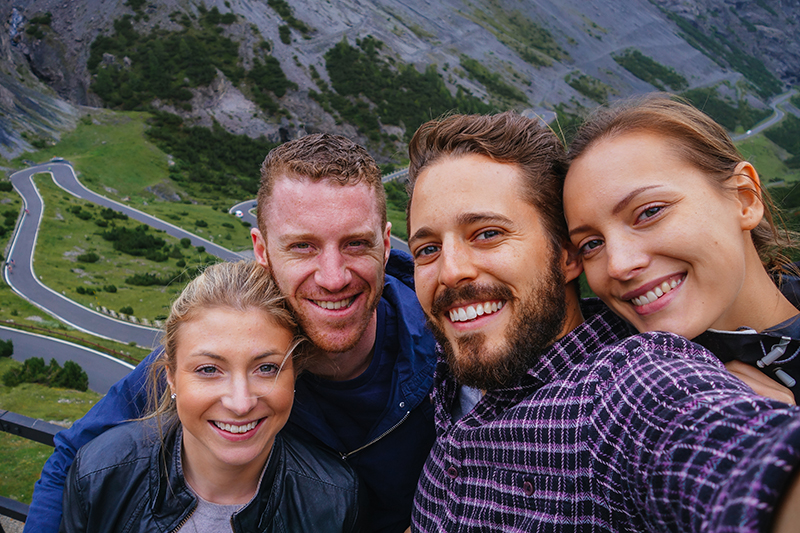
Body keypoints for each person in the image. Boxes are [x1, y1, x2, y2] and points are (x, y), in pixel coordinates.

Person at [404, 111, 800, 532]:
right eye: (427, 249)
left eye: (488, 233)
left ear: (565, 257)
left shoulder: (631, 389)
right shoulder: (451, 363)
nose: (622, 264)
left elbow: (721, 451)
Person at [27, 134, 437, 533]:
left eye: (355, 244)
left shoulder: (447, 349)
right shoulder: (226, 352)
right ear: (261, 251)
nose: (332, 278)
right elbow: (74, 455)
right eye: (302, 247)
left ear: (385, 245)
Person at [59, 261, 363, 532]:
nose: (241, 403)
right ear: (171, 376)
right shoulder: (100, 473)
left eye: (267, 368)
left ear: (294, 375)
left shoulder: (333, 500)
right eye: (208, 370)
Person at [563, 94, 800, 404]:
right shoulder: (603, 388)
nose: (618, 265)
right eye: (592, 244)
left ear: (744, 199)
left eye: (649, 212)